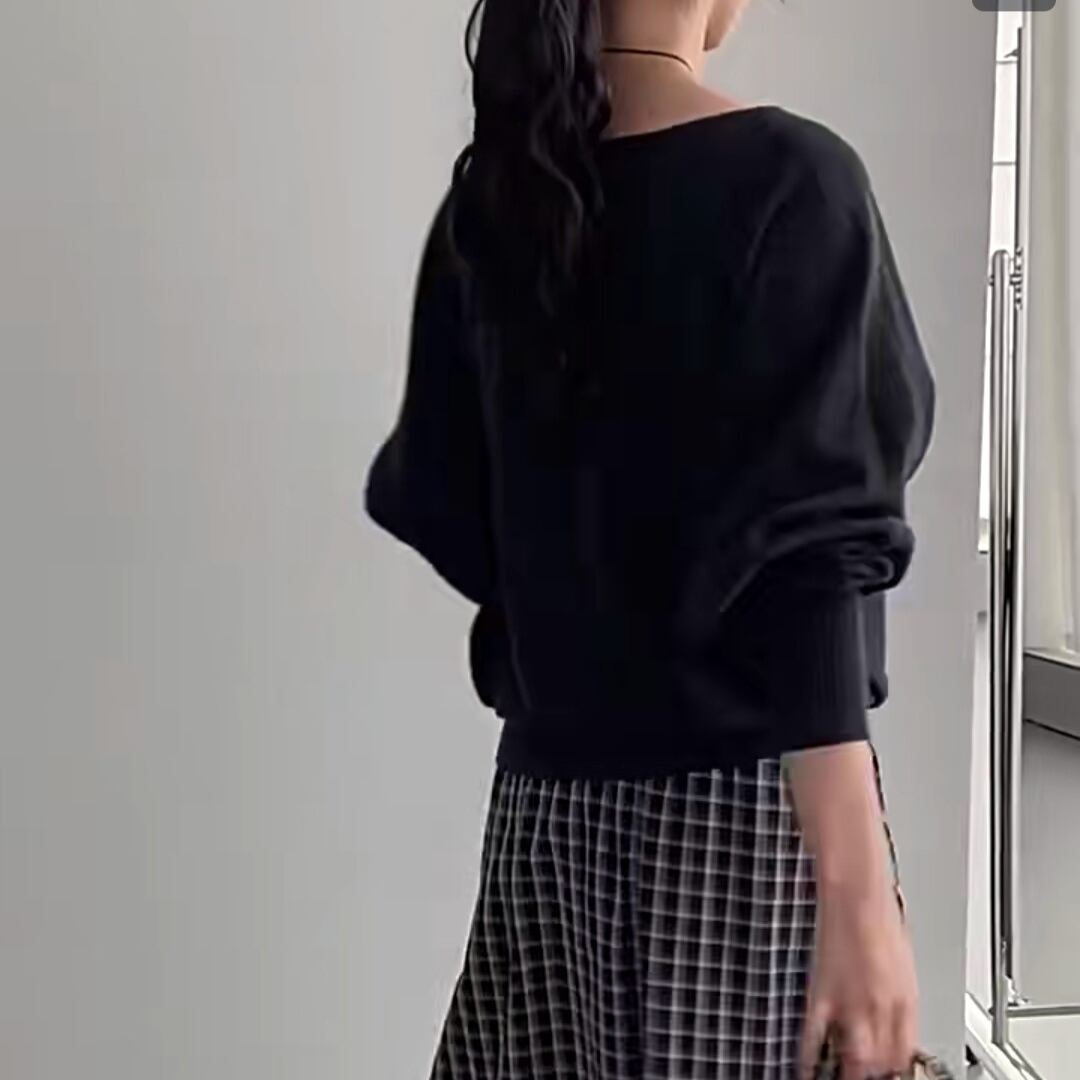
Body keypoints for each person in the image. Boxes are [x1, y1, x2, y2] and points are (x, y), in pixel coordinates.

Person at [365, 0, 935, 1076]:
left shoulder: (499, 202)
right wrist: (859, 894)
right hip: (739, 835)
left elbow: (441, 500)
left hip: (545, 828)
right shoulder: (791, 182)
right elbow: (816, 557)